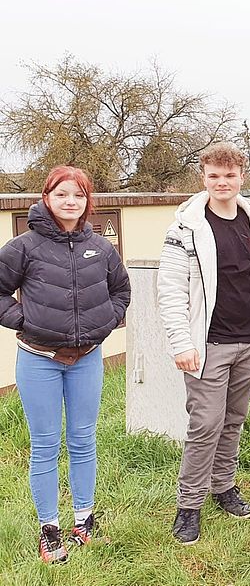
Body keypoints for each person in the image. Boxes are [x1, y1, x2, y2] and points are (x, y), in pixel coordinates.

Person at [0, 166, 130, 564]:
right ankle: (49, 529)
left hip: (87, 360)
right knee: (44, 445)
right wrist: (25, 321)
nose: (70, 201)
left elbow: (121, 290)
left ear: (87, 201)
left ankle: (83, 521)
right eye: (61, 194)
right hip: (39, 360)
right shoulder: (23, 247)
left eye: (77, 194)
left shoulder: (101, 248)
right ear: (46, 198)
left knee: (83, 440)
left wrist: (106, 323)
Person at [157, 142, 250, 544]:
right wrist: (181, 343)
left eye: (229, 175)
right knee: (205, 424)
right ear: (203, 177)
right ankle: (188, 506)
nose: (222, 182)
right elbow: (170, 290)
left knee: (233, 422)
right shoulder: (185, 227)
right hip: (208, 345)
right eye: (213, 176)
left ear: (242, 177)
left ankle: (223, 486)